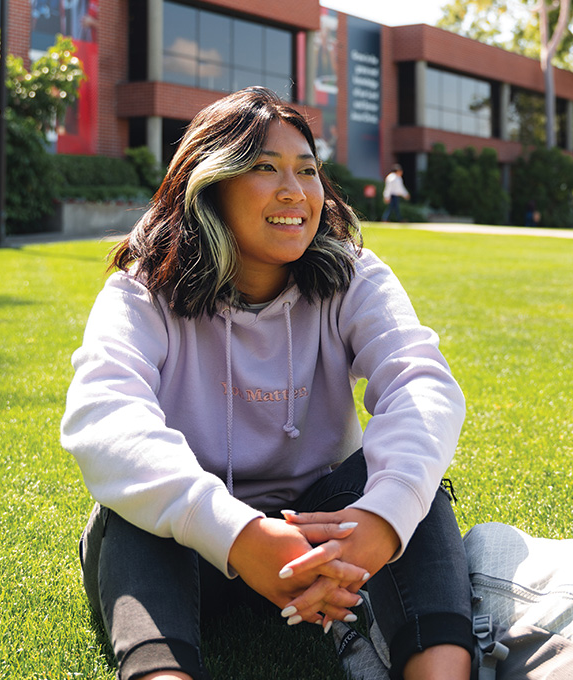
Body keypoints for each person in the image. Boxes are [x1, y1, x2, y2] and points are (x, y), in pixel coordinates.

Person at [61, 87, 473, 680]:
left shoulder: (352, 275)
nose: (295, 192)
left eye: (307, 171)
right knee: (134, 508)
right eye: (264, 168)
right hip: (195, 544)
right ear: (209, 185)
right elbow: (103, 418)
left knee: (410, 485)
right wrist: (240, 535)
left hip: (323, 536)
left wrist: (381, 521)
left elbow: (420, 384)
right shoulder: (143, 290)